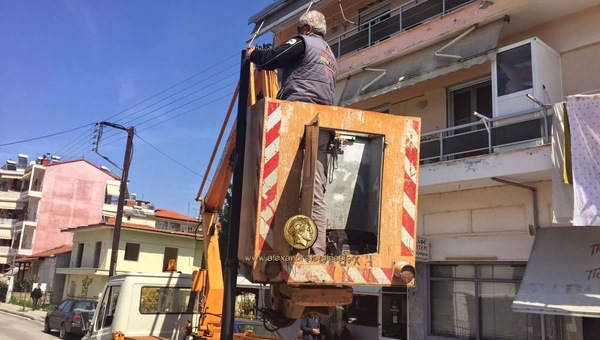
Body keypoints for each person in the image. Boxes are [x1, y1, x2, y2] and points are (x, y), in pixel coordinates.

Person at [247, 10, 338, 255]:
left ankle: (280, 246)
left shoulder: (302, 43)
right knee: (314, 191)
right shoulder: (330, 54)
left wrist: (254, 54)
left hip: (296, 118)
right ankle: (316, 252)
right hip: (322, 124)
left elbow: (270, 60)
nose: (297, 33)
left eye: (299, 29)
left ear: (307, 28)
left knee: (280, 185)